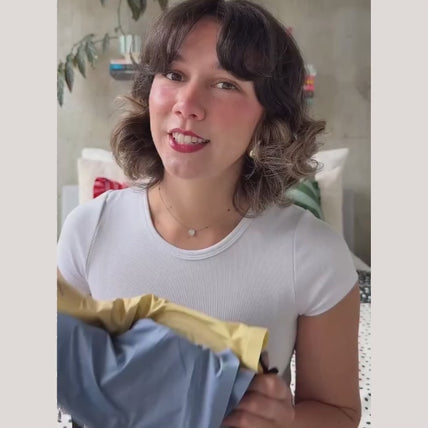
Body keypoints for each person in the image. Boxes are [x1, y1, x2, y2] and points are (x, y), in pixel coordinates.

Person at [58, 0, 361, 427]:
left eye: (225, 84)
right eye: (174, 74)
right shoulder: (88, 231)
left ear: (268, 116)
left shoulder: (313, 253)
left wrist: (285, 422)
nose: (187, 104)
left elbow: (340, 412)